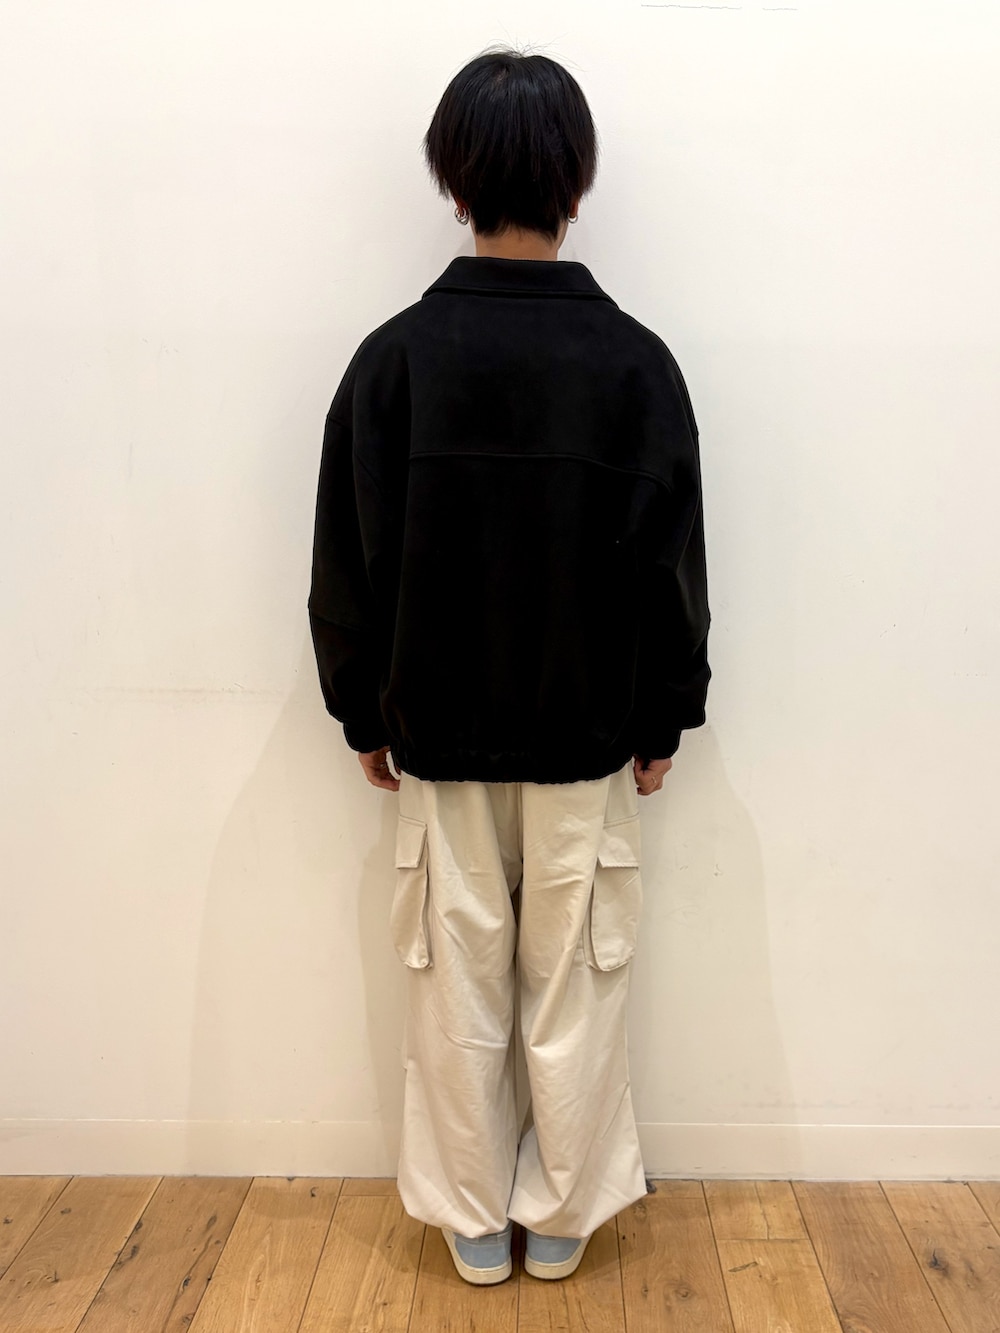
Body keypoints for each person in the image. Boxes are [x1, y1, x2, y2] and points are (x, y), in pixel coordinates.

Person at [307, 44, 710, 1285]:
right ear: (577, 183)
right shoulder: (634, 365)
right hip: (586, 740)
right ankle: (565, 1209)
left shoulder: (394, 361)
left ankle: (474, 1218)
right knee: (576, 985)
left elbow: (345, 561)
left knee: (455, 989)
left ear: (453, 182)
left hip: (438, 738)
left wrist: (360, 712)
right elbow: (672, 567)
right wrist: (663, 720)